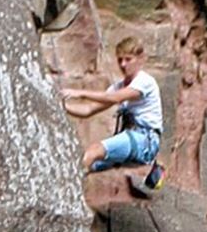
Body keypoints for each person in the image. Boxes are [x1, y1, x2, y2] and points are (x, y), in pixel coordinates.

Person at [61, 35, 165, 188]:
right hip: (133, 139)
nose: (123, 65)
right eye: (120, 60)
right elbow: (88, 110)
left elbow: (114, 98)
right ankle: (76, 187)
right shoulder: (118, 86)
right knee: (92, 163)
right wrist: (61, 107)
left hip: (145, 140)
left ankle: (69, 190)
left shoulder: (145, 81)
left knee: (94, 151)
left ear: (140, 58)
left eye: (128, 59)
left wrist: (80, 93)